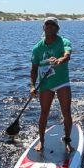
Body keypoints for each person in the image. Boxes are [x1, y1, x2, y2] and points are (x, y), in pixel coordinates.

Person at [30, 17, 73, 153]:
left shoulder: (63, 41)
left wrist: (61, 59)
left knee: (66, 112)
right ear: (44, 28)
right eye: (47, 25)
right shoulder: (37, 48)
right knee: (44, 113)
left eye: (53, 25)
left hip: (61, 82)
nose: (50, 27)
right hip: (45, 84)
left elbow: (67, 54)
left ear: (57, 28)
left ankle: (67, 140)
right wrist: (32, 85)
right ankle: (41, 142)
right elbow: (34, 68)